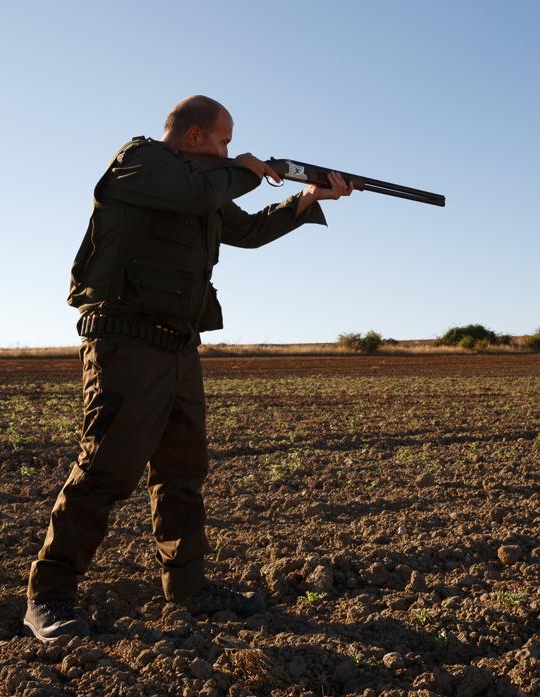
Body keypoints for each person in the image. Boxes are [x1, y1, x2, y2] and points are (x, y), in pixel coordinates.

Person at [24, 95, 354, 642]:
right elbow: (197, 190)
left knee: (182, 474)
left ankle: (190, 589)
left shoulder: (205, 188)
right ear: (196, 137)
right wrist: (244, 170)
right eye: (223, 141)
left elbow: (244, 232)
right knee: (106, 467)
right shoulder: (141, 162)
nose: (230, 150)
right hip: (125, 341)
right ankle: (49, 597)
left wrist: (306, 198)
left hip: (179, 345)